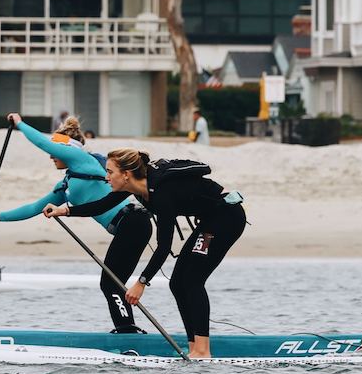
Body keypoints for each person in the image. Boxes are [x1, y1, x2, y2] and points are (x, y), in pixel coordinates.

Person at [44, 149, 246, 358]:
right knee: (177, 283)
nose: (106, 177)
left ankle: (203, 351)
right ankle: (194, 346)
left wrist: (141, 282)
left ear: (126, 174)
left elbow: (164, 247)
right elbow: (101, 206)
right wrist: (65, 211)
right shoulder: (139, 188)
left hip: (226, 218)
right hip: (209, 221)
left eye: (110, 172)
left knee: (192, 280)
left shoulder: (162, 193)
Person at [0, 113, 153, 333]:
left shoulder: (84, 160)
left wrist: (20, 124)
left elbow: (43, 143)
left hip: (133, 221)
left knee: (110, 283)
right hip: (128, 227)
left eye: (55, 152)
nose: (52, 157)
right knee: (113, 284)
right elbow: (35, 208)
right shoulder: (68, 182)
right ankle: (129, 330)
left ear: (68, 149)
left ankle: (127, 330)